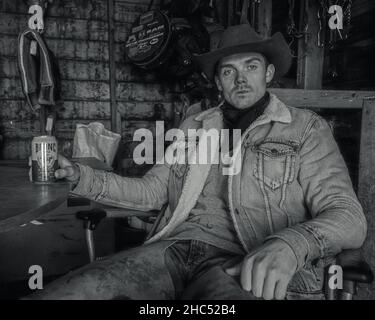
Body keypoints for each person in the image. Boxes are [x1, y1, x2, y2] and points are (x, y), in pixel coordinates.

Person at [27, 24, 366, 300]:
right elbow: (150, 191)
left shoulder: (306, 128)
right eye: (229, 71)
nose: (241, 78)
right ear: (218, 81)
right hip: (174, 249)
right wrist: (79, 175)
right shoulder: (195, 125)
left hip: (243, 261)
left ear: (269, 73)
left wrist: (292, 245)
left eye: (251, 66)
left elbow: (348, 216)